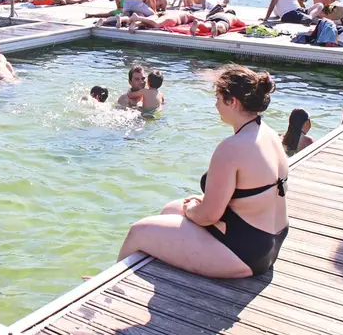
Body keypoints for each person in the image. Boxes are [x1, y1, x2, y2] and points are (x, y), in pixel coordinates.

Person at [116, 65, 288, 278]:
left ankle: (105, 287)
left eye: (217, 98)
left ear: (232, 102)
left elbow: (208, 216)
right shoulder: (269, 133)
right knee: (170, 209)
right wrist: (197, 204)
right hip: (268, 238)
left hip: (246, 254)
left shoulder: (231, 148)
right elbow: (246, 196)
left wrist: (191, 210)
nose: (215, 104)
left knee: (138, 232)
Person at [127, 10, 195, 32]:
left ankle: (136, 24)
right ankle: (138, 18)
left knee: (152, 24)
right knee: (157, 24)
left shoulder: (178, 11)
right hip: (173, 19)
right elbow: (200, 19)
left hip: (165, 14)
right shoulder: (189, 14)